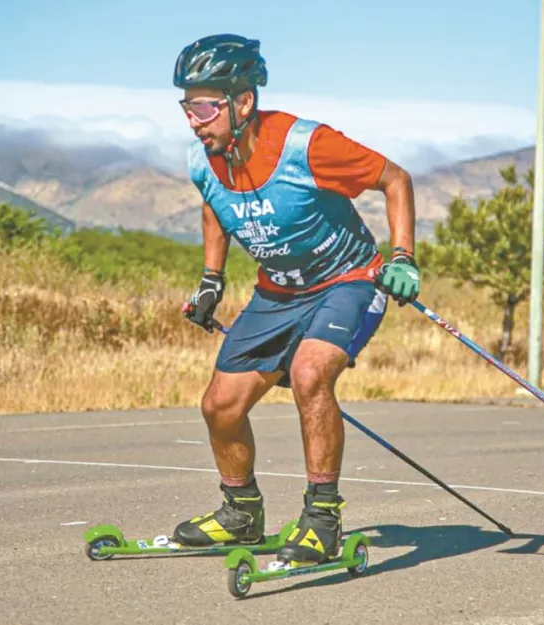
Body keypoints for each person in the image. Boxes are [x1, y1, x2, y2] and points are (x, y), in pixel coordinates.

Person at [172, 33, 421, 565]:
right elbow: (215, 207)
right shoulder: (205, 159)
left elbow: (395, 179)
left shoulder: (307, 145)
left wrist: (402, 257)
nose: (194, 118)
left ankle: (322, 517)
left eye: (205, 105)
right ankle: (240, 513)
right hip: (278, 291)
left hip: (348, 280)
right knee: (220, 405)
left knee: (311, 374)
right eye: (187, 104)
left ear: (243, 102)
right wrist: (211, 280)